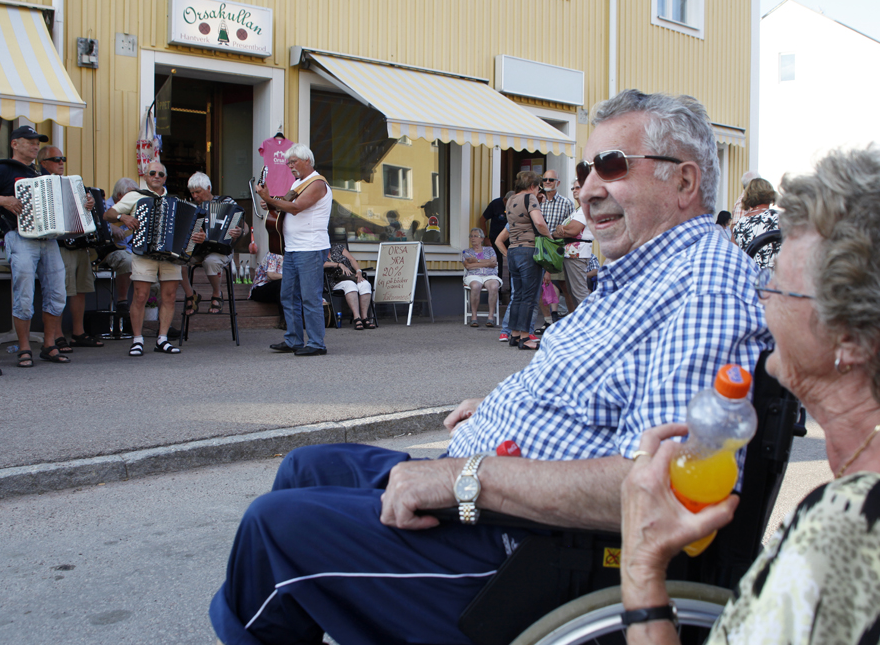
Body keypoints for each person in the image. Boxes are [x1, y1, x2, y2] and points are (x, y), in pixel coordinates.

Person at [210, 89, 772, 645]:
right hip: (496, 494)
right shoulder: (644, 271)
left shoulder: (705, 288)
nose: (587, 190)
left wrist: (467, 478)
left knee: (274, 530)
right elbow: (594, 384)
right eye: (584, 171)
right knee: (307, 469)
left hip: (526, 553)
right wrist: (502, 407)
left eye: (611, 165)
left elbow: (663, 488)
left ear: (685, 181)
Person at [619, 147, 880, 644]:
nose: (761, 299)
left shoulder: (853, 528)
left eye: (778, 288)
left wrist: (641, 569)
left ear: (854, 339)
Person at [0, 126, 76, 368]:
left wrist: (82, 205)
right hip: (20, 236)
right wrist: (2, 200)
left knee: (57, 293)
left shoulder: (39, 173)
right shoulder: (3, 169)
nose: (35, 145)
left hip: (49, 239)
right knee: (24, 295)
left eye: (37, 142)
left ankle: (49, 345)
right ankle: (24, 347)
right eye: (29, 141)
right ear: (14, 144)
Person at [104, 163, 191, 356]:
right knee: (140, 295)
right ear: (145, 176)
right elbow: (108, 215)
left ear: (165, 178)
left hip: (170, 255)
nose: (156, 176)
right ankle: (137, 340)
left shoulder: (174, 201)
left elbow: (189, 227)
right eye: (152, 173)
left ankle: (162, 339)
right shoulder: (135, 196)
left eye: (160, 173)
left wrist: (195, 237)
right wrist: (123, 217)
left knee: (169, 296)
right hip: (143, 252)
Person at [254, 143, 332, 356]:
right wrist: (272, 203)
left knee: (310, 297)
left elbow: (296, 208)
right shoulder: (299, 184)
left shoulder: (317, 183)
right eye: (288, 162)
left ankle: (317, 343)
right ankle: (294, 340)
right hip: (293, 248)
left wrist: (269, 199)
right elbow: (286, 206)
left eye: (293, 161)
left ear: (307, 160)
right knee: (288, 295)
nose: (290, 166)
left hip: (310, 248)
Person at [36, 145, 103, 349]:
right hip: (59, 245)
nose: (61, 163)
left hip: (80, 244)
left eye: (62, 159)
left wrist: (89, 203)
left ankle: (78, 332)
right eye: (56, 159)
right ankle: (57, 335)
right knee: (60, 290)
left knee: (80, 289)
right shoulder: (39, 184)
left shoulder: (73, 183)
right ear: (43, 163)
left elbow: (86, 212)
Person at [496, 170, 551, 350]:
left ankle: (514, 334)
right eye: (538, 187)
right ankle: (526, 338)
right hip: (529, 251)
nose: (538, 191)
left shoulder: (511, 199)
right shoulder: (530, 197)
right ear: (533, 185)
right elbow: (539, 222)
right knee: (529, 296)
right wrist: (550, 238)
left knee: (518, 295)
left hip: (513, 251)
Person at [179, 172, 243, 316]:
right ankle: (191, 295)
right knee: (177, 261)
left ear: (208, 188)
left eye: (198, 192)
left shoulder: (226, 202)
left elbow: (242, 226)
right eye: (192, 193)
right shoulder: (191, 208)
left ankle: (217, 293)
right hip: (197, 250)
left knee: (211, 261)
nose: (195, 196)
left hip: (221, 250)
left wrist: (239, 232)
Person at [535, 169, 575, 332]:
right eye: (545, 179)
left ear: (558, 182)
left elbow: (571, 227)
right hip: (539, 246)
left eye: (551, 180)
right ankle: (548, 321)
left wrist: (560, 235)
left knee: (565, 286)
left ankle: (572, 321)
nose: (547, 182)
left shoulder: (566, 203)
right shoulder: (537, 201)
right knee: (540, 285)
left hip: (558, 247)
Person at [553, 179, 595, 311]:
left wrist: (561, 229)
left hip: (577, 253)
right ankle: (581, 319)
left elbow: (572, 230)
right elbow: (562, 230)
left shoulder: (586, 208)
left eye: (578, 187)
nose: (574, 190)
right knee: (573, 291)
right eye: (573, 188)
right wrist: (561, 229)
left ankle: (588, 319)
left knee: (579, 291)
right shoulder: (578, 210)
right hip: (571, 253)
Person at [101, 177, 137, 317]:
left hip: (131, 251)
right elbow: (97, 223)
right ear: (120, 196)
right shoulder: (105, 207)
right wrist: (110, 227)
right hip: (108, 252)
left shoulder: (135, 209)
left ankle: (159, 319)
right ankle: (122, 301)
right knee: (127, 260)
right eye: (131, 194)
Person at [731, 177, 780, 268]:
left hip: (749, 274)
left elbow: (733, 255)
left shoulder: (740, 223)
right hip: (775, 274)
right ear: (770, 194)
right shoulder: (778, 217)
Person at [323, 241, 374, 330]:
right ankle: (357, 318)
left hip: (350, 276)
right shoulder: (316, 252)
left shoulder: (337, 247)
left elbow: (352, 259)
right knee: (350, 285)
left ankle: (364, 318)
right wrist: (339, 265)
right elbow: (319, 264)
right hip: (334, 281)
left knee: (365, 284)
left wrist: (358, 271)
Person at [461, 228, 501, 328]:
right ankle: (474, 317)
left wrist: (476, 261)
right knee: (475, 286)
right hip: (473, 275)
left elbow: (494, 262)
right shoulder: (466, 252)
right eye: (471, 236)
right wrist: (487, 263)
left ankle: (490, 317)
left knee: (494, 286)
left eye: (475, 236)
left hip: (490, 275)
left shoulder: (490, 249)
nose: (472, 238)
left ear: (482, 239)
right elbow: (468, 266)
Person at [478, 190, 512, 288]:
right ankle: (498, 291)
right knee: (497, 264)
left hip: (512, 239)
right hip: (496, 239)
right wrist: (485, 237)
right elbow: (482, 219)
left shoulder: (517, 206)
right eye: (509, 202)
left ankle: (512, 291)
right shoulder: (495, 204)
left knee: (512, 264)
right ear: (505, 200)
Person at [248, 251, 284, 331]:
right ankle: (284, 321)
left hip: (277, 290)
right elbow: (270, 276)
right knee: (283, 284)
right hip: (260, 288)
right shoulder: (273, 254)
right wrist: (290, 276)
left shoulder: (295, 255)